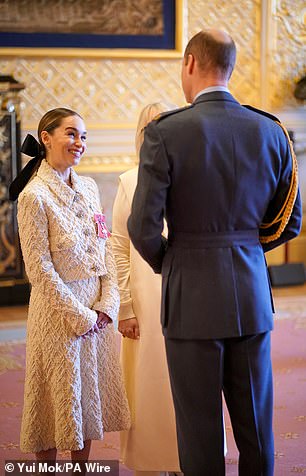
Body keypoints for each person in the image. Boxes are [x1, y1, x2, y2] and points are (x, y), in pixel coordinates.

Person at [127, 30, 302, 476]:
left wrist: (178, 262)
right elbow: (291, 220)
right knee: (258, 432)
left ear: (189, 63)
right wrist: (242, 248)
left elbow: (142, 228)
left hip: (190, 301)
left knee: (200, 433)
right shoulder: (270, 130)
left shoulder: (165, 133)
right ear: (231, 65)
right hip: (251, 295)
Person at [12, 108, 130, 471]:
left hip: (96, 310)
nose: (80, 143)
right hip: (58, 315)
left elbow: (105, 245)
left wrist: (108, 304)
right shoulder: (33, 197)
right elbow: (39, 269)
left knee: (86, 400)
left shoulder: (91, 187)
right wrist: (80, 316)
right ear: (46, 138)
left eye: (84, 137)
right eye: (71, 134)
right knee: (52, 404)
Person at [112, 103, 182, 476]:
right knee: (148, 380)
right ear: (143, 135)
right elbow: (119, 246)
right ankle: (151, 461)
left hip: (186, 294)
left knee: (189, 380)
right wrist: (125, 306)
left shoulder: (192, 172)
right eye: (151, 125)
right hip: (144, 295)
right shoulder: (129, 181)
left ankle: (189, 458)